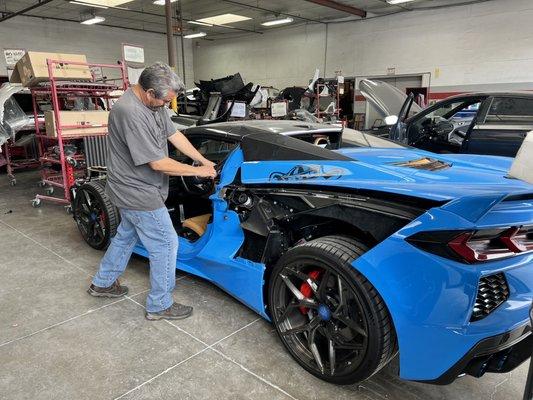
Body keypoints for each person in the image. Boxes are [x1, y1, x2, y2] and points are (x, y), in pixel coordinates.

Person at [87, 62, 216, 321]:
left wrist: (202, 160)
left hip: (137, 187)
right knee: (166, 243)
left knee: (126, 236)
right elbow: (157, 163)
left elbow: (174, 136)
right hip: (136, 190)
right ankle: (159, 304)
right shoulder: (130, 112)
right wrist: (197, 172)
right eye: (164, 100)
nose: (166, 105)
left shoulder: (154, 104)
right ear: (148, 92)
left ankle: (102, 283)